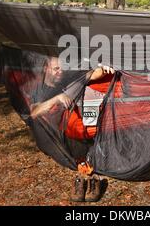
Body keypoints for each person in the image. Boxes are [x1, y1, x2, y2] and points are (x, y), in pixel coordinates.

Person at [29, 56, 114, 202]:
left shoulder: (66, 79)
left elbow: (92, 74)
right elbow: (34, 112)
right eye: (56, 69)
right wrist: (57, 99)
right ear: (46, 68)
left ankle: (91, 176)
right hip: (57, 136)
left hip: (77, 127)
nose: (60, 72)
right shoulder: (40, 88)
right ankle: (84, 174)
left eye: (62, 68)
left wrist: (104, 68)